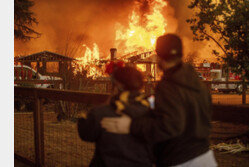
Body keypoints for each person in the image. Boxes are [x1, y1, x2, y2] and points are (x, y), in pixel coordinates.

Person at [101, 34, 217, 167]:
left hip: (180, 160)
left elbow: (169, 126)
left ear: (158, 55)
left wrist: (130, 126)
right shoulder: (196, 82)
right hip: (205, 157)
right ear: (181, 53)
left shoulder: (168, 86)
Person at [77, 65, 154, 167]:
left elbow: (86, 134)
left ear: (117, 85)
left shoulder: (101, 113)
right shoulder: (153, 113)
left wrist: (82, 117)